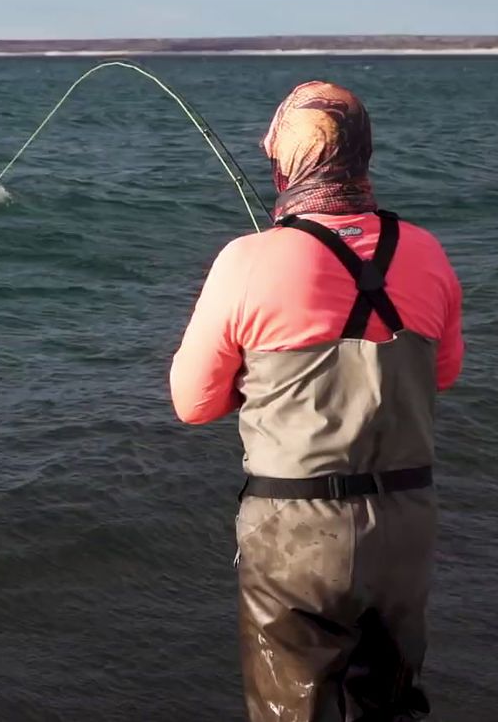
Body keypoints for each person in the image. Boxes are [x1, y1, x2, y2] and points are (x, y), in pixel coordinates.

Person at [169, 81, 464, 721]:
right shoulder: (428, 250)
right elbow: (443, 374)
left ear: (287, 158)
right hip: (407, 521)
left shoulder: (248, 259)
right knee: (391, 704)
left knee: (292, 707)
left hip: (295, 531)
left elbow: (192, 404)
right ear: (361, 153)